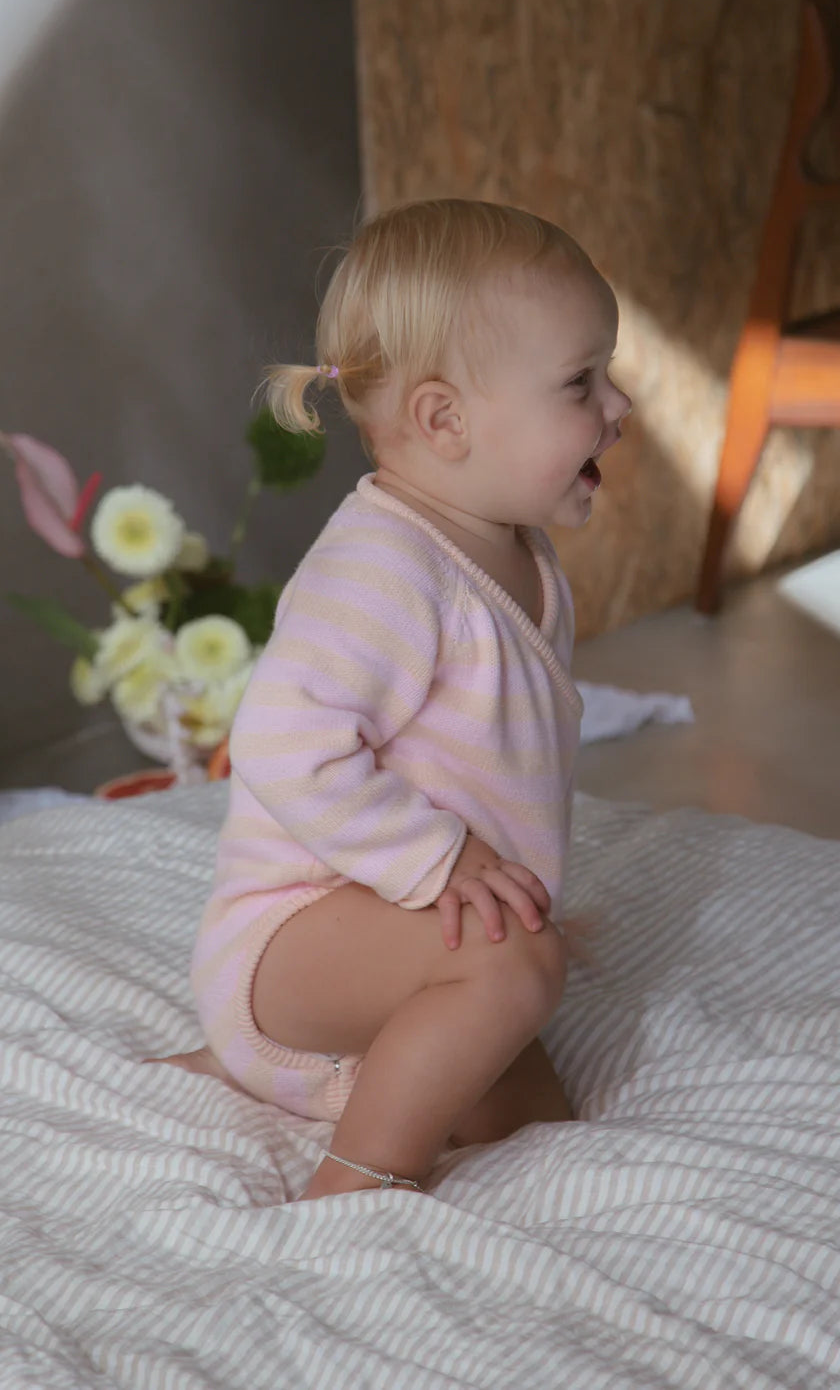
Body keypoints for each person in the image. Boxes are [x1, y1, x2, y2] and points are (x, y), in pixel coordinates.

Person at [160, 197, 631, 1200]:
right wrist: (444, 860)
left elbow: (483, 761)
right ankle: (354, 1183)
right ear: (443, 420)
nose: (619, 409)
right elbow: (284, 745)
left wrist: (501, 882)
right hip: (291, 934)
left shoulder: (516, 549)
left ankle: (292, 1081)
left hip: (385, 925)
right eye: (580, 385)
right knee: (513, 974)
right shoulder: (383, 570)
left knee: (529, 1112)